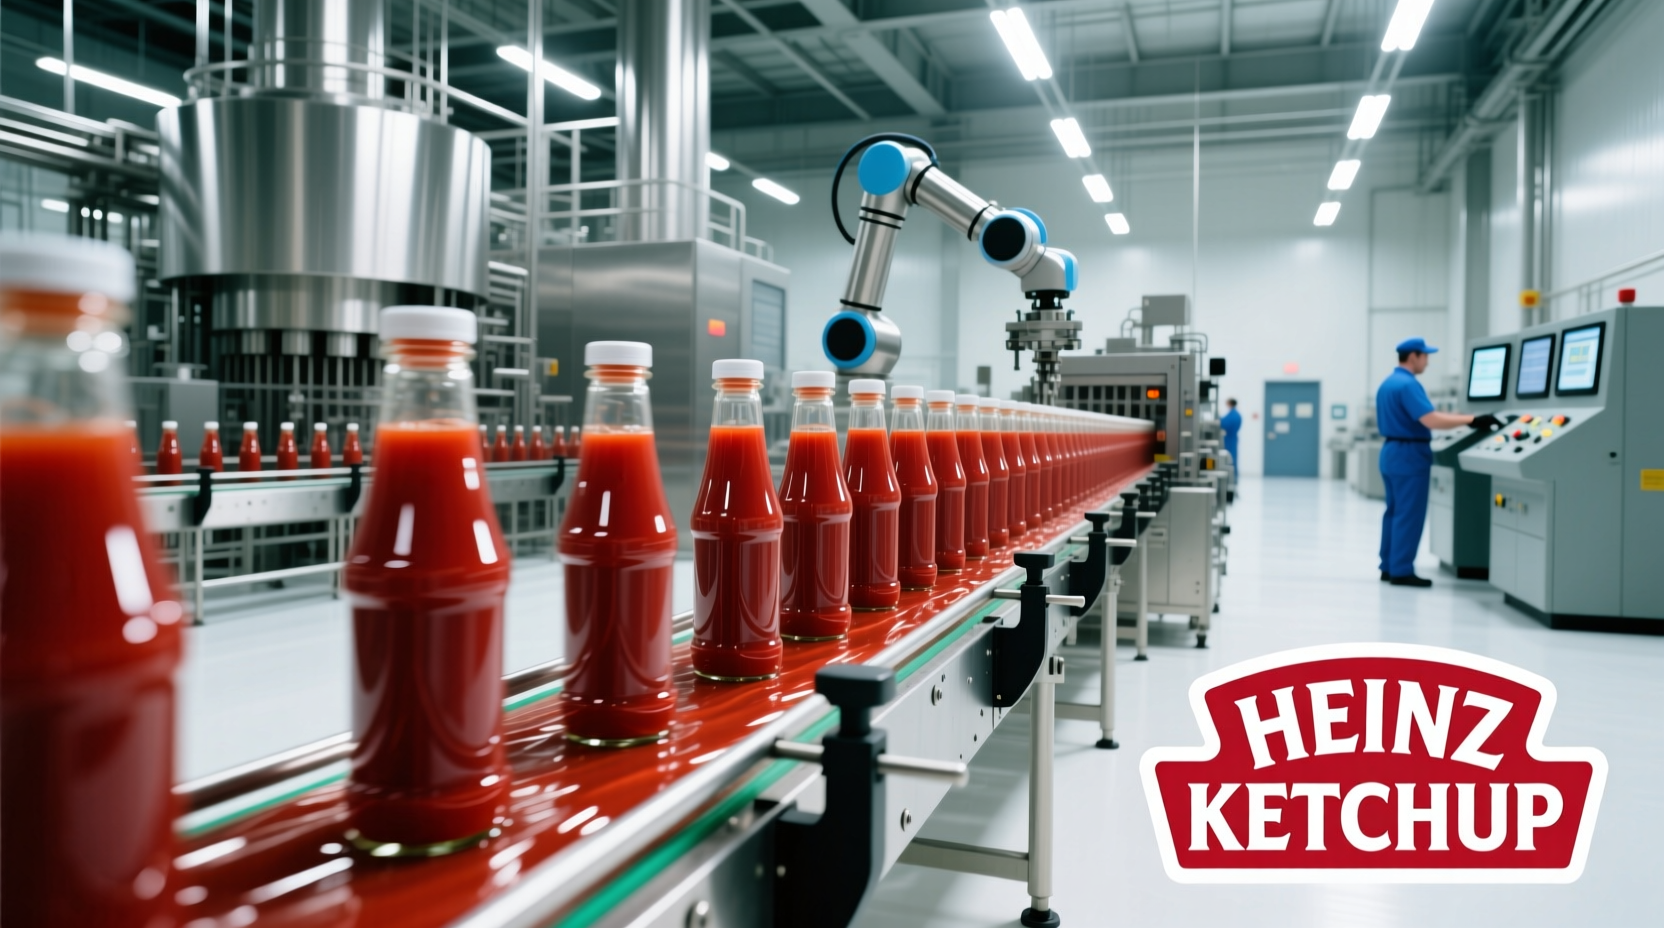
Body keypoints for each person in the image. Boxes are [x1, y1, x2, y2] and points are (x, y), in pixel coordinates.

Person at [1376, 338, 1501, 586]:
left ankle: (1389, 566)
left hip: (1391, 452)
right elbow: (1431, 420)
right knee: (1409, 515)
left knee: (1394, 512)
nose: (1428, 362)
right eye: (1425, 356)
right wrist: (1471, 420)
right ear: (1414, 357)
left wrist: (1467, 417)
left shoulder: (1389, 383)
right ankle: (1402, 571)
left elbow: (1429, 415)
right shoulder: (1409, 384)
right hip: (1410, 455)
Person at [1220, 398, 1242, 467]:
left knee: (1230, 457)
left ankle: (1231, 475)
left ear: (1230, 403)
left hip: (1229, 439)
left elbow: (1224, 423)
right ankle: (1234, 475)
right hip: (1232, 438)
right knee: (1233, 457)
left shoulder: (1233, 414)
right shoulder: (1237, 414)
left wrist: (1218, 419)